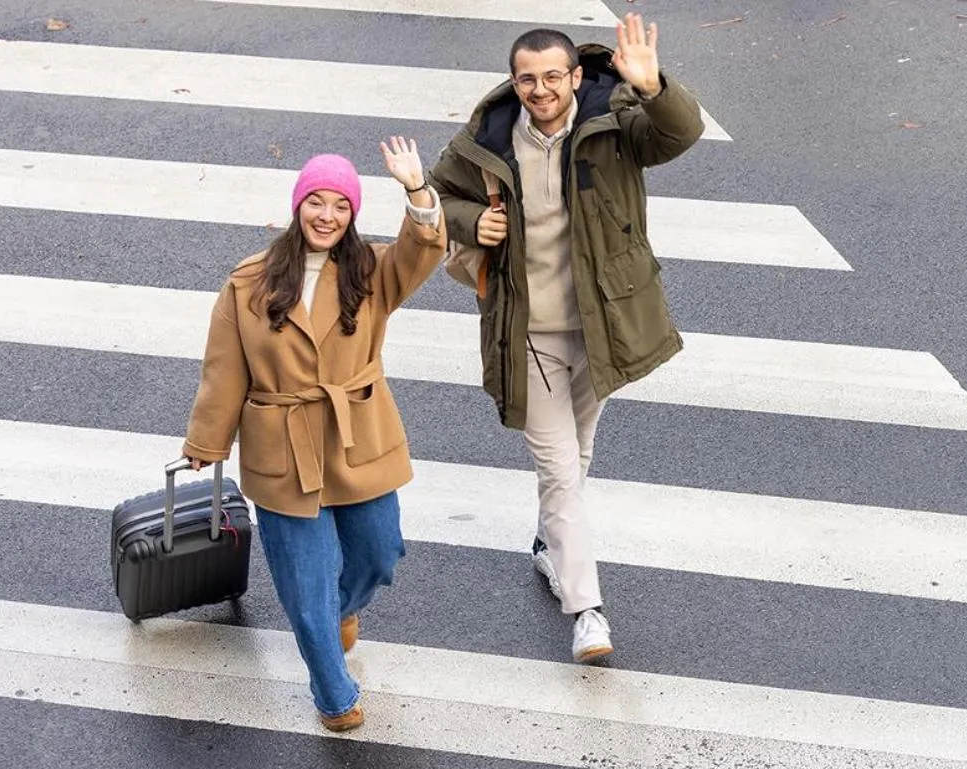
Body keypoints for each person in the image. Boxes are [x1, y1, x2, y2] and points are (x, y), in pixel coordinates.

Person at [429, 14, 704, 663]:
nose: (540, 89)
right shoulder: (489, 139)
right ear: (514, 81)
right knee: (558, 471)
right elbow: (437, 198)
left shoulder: (614, 123)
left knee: (575, 461)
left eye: (553, 76)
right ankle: (587, 611)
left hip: (603, 327)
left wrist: (654, 84)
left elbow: (679, 133)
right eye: (528, 78)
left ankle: (549, 548)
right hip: (530, 334)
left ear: (576, 77)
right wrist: (474, 221)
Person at [182, 141, 446, 732]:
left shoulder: (373, 272)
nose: (327, 216)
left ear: (353, 215)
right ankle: (333, 692)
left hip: (359, 435)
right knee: (305, 582)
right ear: (297, 206)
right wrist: (208, 440)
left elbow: (425, 247)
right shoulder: (249, 282)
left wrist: (415, 189)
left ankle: (342, 610)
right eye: (315, 203)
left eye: (341, 206)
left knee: (381, 551)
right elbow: (225, 367)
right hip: (282, 442)